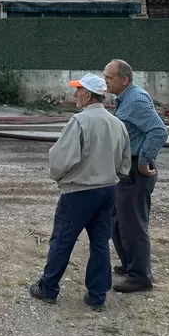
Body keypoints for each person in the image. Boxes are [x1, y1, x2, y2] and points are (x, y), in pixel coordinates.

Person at [29, 74, 131, 311]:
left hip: (79, 192)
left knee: (62, 241)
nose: (75, 94)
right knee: (99, 243)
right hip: (107, 190)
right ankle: (97, 296)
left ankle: (48, 288)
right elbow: (124, 163)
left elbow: (61, 160)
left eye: (78, 90)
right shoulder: (117, 123)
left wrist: (59, 178)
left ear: (87, 95)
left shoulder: (79, 122)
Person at [102, 58, 167, 294]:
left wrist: (143, 161)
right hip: (124, 171)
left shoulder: (136, 100)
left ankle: (140, 277)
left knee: (132, 226)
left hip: (135, 171)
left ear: (124, 80)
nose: (105, 81)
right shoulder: (125, 99)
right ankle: (130, 264)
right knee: (117, 222)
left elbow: (158, 131)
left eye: (109, 77)